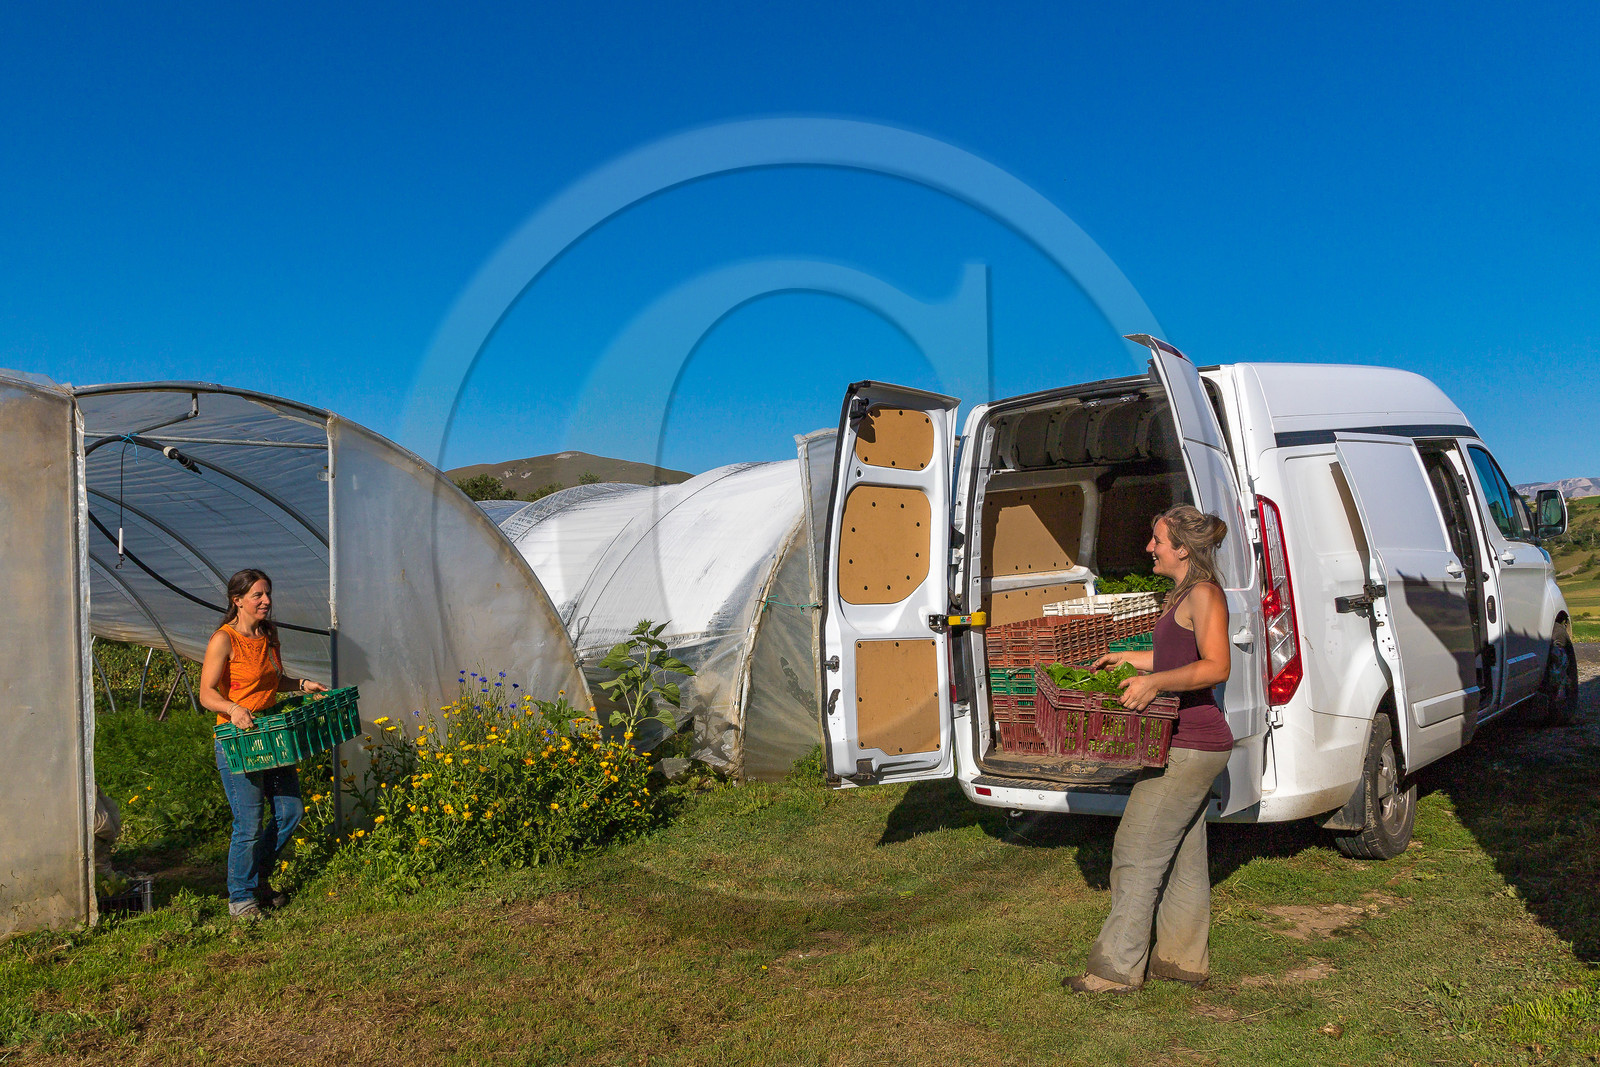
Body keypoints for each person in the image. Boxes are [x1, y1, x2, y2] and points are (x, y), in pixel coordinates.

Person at [1066, 505, 1234, 992]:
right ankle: (1181, 962)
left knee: (1137, 852)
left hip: (1190, 744)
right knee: (1184, 855)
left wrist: (1155, 683)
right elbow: (1177, 656)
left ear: (1182, 548)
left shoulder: (1204, 594)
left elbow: (1215, 666)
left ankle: (1116, 971)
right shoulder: (1183, 593)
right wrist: (1130, 658)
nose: (1149, 548)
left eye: (1157, 540)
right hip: (1186, 743)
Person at [199, 568, 325, 921]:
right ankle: (241, 898)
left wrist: (301, 683)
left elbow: (271, 681)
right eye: (258, 595)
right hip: (238, 741)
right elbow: (207, 694)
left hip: (271, 734)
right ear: (237, 601)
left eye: (267, 593)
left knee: (290, 811)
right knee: (249, 822)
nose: (266, 601)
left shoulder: (269, 634)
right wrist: (232, 707)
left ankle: (258, 880)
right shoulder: (223, 639)